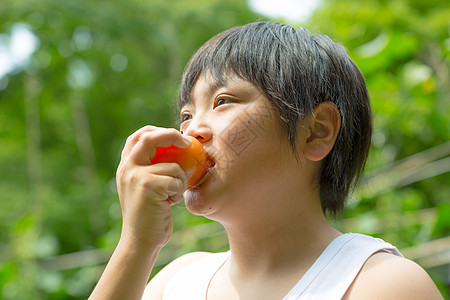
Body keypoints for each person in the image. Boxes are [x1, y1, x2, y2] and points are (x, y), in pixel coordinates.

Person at [89, 22, 443, 299]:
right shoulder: (176, 283)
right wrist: (136, 244)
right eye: (185, 115)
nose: (192, 129)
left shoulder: (380, 284)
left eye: (223, 101)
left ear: (315, 132)